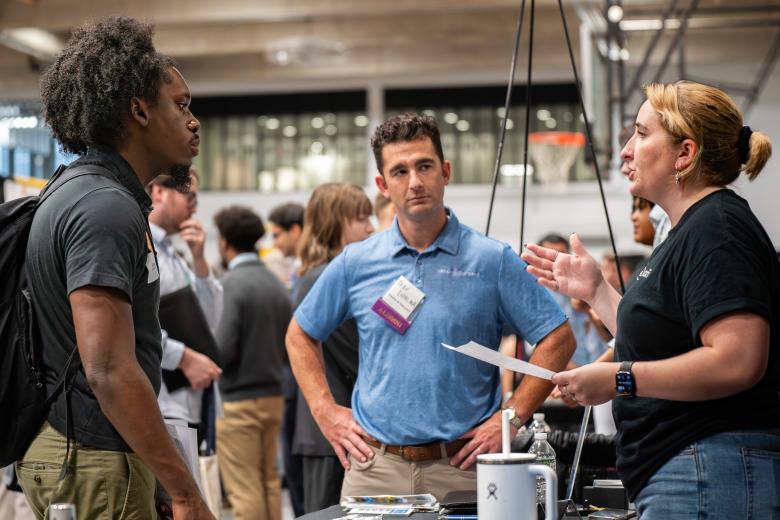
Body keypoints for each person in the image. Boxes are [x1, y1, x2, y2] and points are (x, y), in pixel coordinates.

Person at [522, 81, 779, 519]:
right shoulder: (688, 232)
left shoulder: (716, 230)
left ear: (684, 154)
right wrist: (597, 292)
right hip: (685, 469)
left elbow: (739, 361)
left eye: (641, 134)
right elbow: (661, 345)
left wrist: (620, 378)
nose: (626, 150)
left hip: (708, 468)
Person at [286, 113, 575, 500]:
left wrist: (510, 417)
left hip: (464, 469)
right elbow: (300, 334)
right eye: (400, 171)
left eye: (425, 166)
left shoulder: (492, 260)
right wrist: (324, 410)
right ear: (382, 185)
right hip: (375, 468)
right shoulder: (356, 262)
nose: (415, 182)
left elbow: (558, 337)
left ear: (446, 171)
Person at [17, 17, 213, 519]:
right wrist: (186, 490)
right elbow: (108, 369)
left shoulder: (75, 191)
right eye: (181, 104)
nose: (194, 120)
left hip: (83, 453)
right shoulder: (106, 207)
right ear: (138, 110)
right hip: (94, 455)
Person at [292, 183, 374, 513]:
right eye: (362, 219)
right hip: (334, 434)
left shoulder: (329, 275)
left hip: (342, 431)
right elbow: (363, 352)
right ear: (336, 222)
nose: (371, 228)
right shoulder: (324, 279)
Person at [213, 206, 291, 520]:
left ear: (224, 241)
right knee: (269, 481)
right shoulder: (276, 284)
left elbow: (224, 350)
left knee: (244, 490)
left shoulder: (232, 284)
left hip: (237, 401)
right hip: (273, 396)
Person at [148, 169, 223, 437]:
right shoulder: (141, 246)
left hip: (184, 404)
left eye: (195, 200)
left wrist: (199, 259)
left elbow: (209, 317)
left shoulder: (173, 254)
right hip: (160, 403)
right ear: (159, 192)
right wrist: (184, 358)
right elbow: (133, 324)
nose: (192, 207)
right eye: (188, 197)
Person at [267, 201, 306, 517]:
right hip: (290, 385)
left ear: (296, 230)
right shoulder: (294, 273)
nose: (274, 244)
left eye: (278, 235)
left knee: (301, 478)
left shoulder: (309, 273)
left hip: (301, 389)